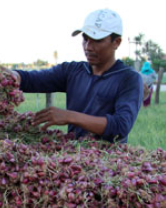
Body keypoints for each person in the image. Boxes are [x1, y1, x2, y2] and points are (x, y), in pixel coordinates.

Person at [11, 8, 143, 143]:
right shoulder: (73, 71)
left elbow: (120, 126)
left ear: (117, 42)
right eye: (85, 39)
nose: (88, 47)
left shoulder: (129, 78)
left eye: (97, 41)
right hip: (76, 156)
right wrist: (13, 76)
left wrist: (69, 116)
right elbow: (32, 80)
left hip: (108, 159)